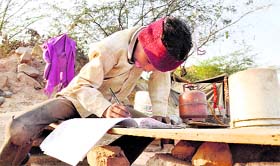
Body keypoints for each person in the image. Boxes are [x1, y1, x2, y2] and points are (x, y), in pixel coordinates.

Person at [0, 16, 192, 165]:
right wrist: (104, 108)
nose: (149, 69)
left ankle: (106, 161)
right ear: (143, 41)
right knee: (20, 129)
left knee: (147, 128)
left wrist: (159, 113)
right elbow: (83, 85)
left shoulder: (157, 56)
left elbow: (159, 78)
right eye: (149, 61)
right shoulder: (110, 47)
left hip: (109, 109)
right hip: (76, 100)